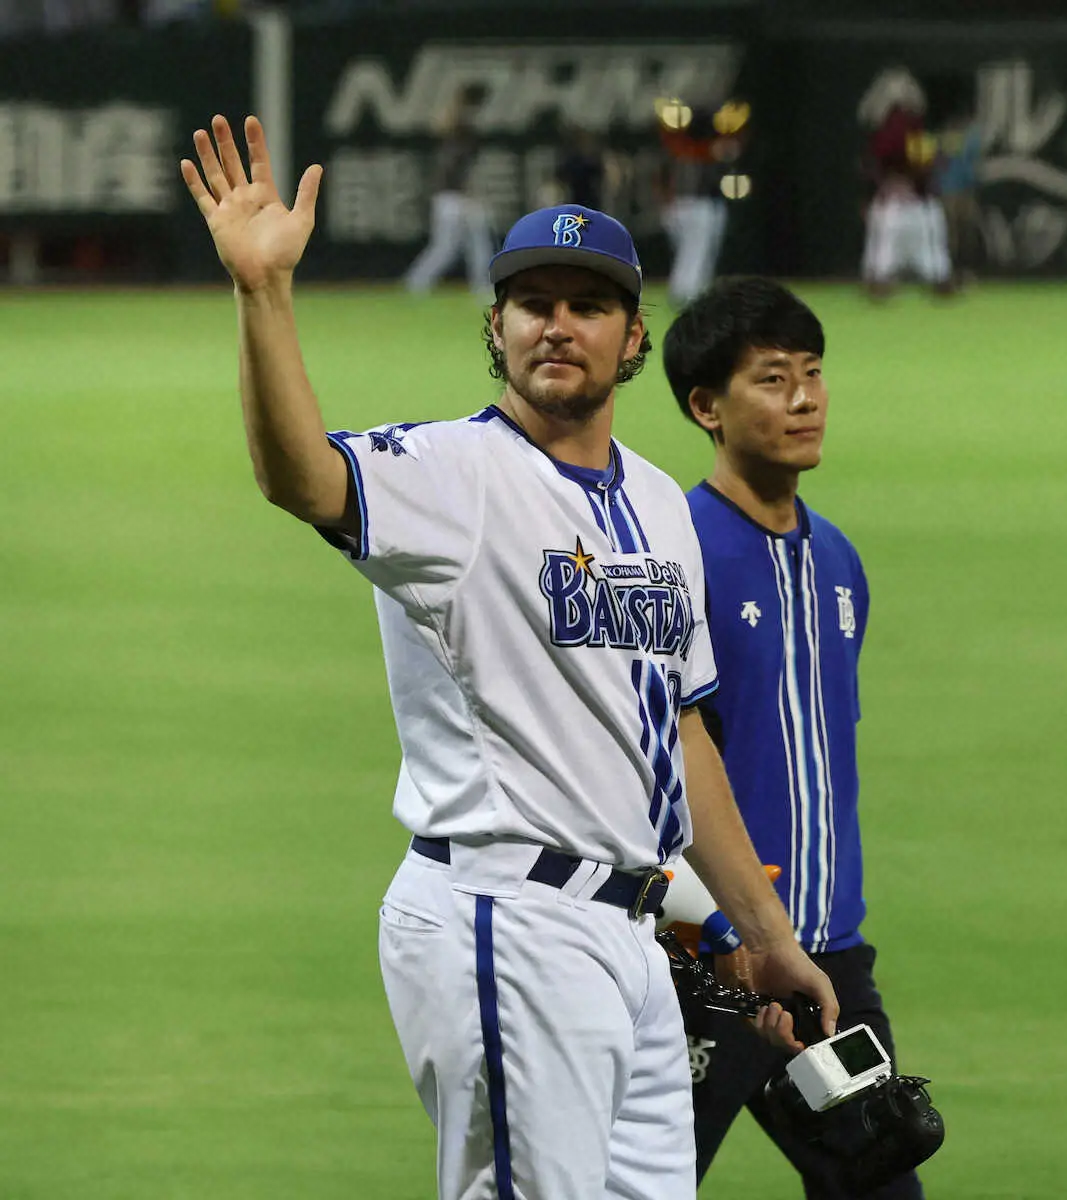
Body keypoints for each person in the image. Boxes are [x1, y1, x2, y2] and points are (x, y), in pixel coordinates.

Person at [181, 116, 838, 1200]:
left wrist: (761, 933)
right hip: (505, 920)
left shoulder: (659, 505)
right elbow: (302, 478)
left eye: (588, 305)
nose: (557, 325)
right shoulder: (450, 475)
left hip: (635, 944)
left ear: (632, 336)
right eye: (533, 302)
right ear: (496, 325)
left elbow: (679, 734)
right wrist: (264, 293)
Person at [661, 276, 924, 1199]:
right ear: (706, 406)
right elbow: (642, 769)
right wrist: (702, 929)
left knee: (880, 1183)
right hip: (706, 959)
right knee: (638, 1185)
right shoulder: (675, 555)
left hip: (827, 963)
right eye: (772, 379)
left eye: (812, 373)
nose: (804, 398)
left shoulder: (837, 558)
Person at [403, 83, 494, 295]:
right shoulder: (460, 136)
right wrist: (469, 193)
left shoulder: (455, 135)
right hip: (453, 197)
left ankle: (481, 287)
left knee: (473, 244)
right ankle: (416, 283)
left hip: (451, 196)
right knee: (452, 247)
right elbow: (457, 168)